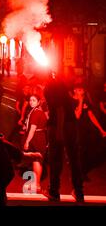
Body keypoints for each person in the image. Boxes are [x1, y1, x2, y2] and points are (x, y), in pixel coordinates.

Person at [44, 73, 84, 202]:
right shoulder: (63, 88)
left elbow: (59, 109)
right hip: (71, 126)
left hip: (58, 126)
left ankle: (54, 191)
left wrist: (59, 132)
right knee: (74, 160)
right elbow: (69, 105)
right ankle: (79, 192)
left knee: (55, 160)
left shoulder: (50, 88)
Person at [71, 84, 106, 180]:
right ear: (75, 90)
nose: (82, 93)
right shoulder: (71, 101)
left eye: (83, 91)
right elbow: (77, 115)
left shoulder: (85, 101)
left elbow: (91, 115)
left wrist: (101, 129)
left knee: (85, 151)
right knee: (78, 152)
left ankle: (82, 172)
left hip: (85, 130)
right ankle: (77, 174)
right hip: (74, 130)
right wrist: (80, 101)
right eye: (79, 90)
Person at [23, 95, 48, 192]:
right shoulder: (34, 111)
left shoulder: (36, 112)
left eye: (34, 100)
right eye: (30, 100)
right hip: (38, 137)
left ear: (38, 102)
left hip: (37, 138)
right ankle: (36, 184)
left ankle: (37, 185)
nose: (31, 102)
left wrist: (27, 142)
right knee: (36, 161)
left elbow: (33, 128)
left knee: (37, 161)